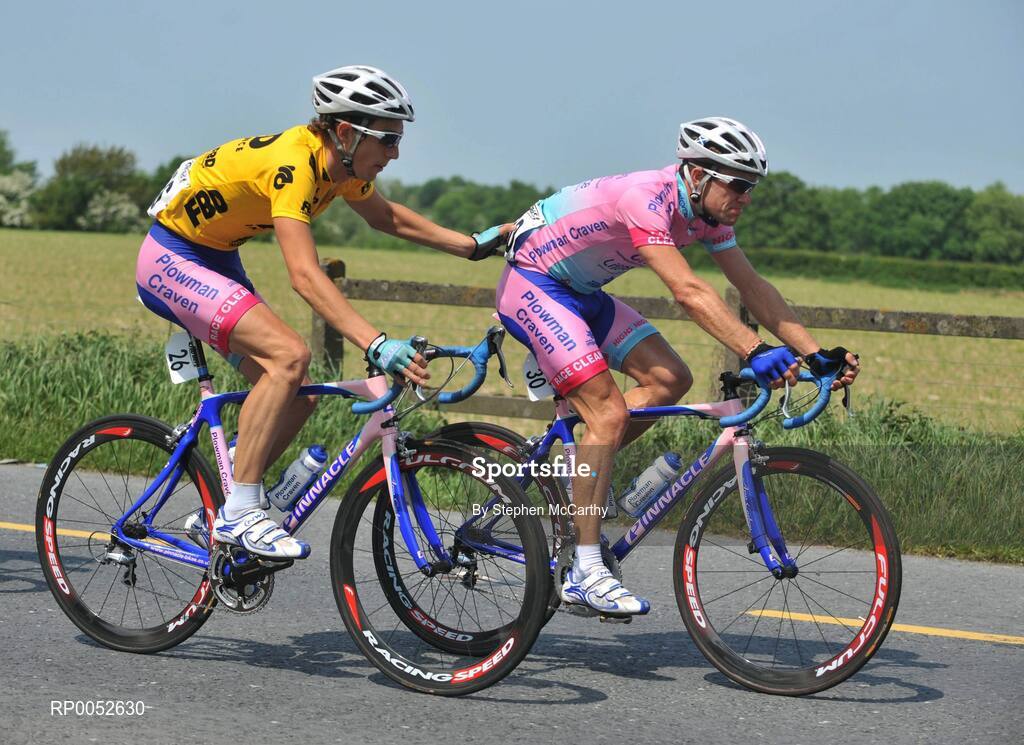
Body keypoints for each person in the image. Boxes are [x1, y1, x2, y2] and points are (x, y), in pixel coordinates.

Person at [137, 64, 508, 560]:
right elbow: (306, 276)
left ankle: (225, 505)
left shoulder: (342, 166)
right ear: (349, 133)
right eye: (388, 139)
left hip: (217, 258)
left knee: (297, 391)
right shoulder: (295, 165)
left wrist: (471, 246)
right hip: (172, 258)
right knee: (289, 357)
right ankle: (240, 513)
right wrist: (376, 342)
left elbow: (386, 217)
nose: (395, 153)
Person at [495, 117, 859, 616]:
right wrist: (756, 351)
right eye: (738, 183)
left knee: (669, 379)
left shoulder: (710, 219)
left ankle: (578, 477)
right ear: (697, 174)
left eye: (751, 186)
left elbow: (755, 288)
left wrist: (815, 354)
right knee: (606, 415)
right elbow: (688, 292)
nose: (746, 197)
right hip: (535, 286)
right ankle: (584, 570)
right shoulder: (648, 197)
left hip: (582, 295)